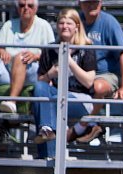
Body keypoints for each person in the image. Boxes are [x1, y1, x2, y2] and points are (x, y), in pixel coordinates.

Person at [31, 8, 96, 159]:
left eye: (69, 23)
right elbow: (40, 82)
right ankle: (47, 131)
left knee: (49, 103)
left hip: (80, 100)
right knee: (41, 89)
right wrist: (50, 74)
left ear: (77, 27)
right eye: (61, 23)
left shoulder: (87, 48)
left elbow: (88, 82)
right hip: (57, 97)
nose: (65, 26)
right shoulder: (49, 49)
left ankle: (47, 155)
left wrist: (69, 60)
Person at [0, 0, 54, 114]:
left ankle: (12, 102)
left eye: (30, 5)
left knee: (21, 56)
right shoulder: (9, 25)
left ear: (36, 9)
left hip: (33, 71)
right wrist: (0, 51)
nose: (26, 8)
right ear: (18, 8)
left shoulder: (44, 26)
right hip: (8, 69)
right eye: (22, 5)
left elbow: (52, 54)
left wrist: (36, 56)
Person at [71, 0, 123, 143]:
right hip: (80, 73)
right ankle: (88, 125)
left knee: (98, 86)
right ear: (80, 4)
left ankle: (85, 125)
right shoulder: (75, 21)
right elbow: (59, 46)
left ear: (101, 3)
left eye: (95, 2)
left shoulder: (109, 22)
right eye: (87, 2)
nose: (91, 5)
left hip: (105, 74)